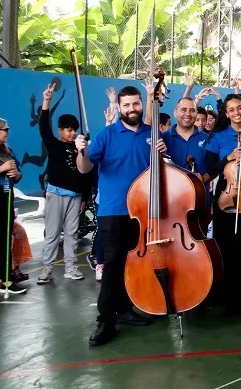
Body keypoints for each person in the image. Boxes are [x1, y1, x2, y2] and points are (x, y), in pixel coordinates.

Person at [76, 86, 163, 346]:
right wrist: (81, 150)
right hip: (113, 211)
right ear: (120, 108)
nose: (132, 109)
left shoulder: (153, 134)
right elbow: (84, 168)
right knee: (113, 265)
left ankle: (125, 310)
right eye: (126, 106)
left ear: (140, 104)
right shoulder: (107, 135)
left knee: (133, 263)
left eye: (135, 104)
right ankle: (106, 319)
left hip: (144, 210)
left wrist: (161, 151)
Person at [204, 94, 241, 315]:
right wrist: (228, 158)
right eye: (232, 109)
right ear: (226, 113)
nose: (237, 112)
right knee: (227, 244)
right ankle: (228, 295)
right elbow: (210, 171)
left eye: (240, 108)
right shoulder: (217, 137)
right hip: (226, 195)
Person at [37, 84, 88, 285]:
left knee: (72, 233)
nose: (72, 133)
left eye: (74, 130)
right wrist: (47, 101)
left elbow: (85, 173)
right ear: (60, 131)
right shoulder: (54, 143)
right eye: (68, 130)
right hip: (56, 194)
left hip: (75, 196)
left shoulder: (80, 148)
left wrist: (84, 196)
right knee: (52, 233)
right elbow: (43, 126)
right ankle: (47, 269)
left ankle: (70, 267)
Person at [0, 117, 24, 295]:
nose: (7, 132)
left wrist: (15, 173)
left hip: (4, 197)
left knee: (4, 241)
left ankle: (7, 281)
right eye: (4, 129)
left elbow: (17, 176)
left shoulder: (7, 152)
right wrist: (0, 169)